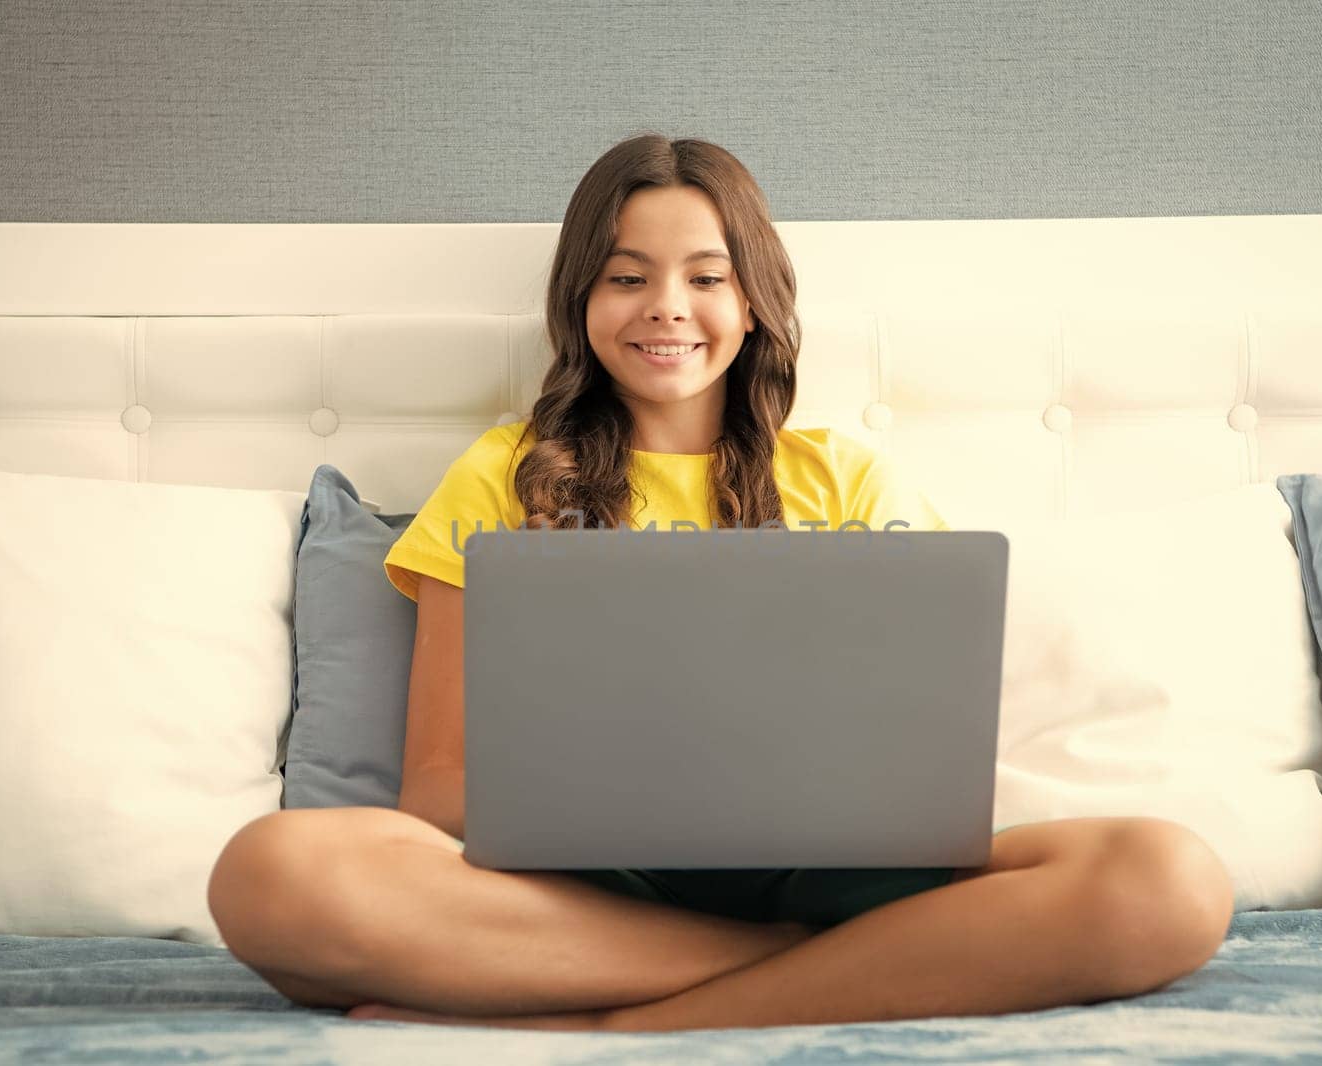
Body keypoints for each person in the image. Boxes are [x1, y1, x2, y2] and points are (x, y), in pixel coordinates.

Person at [206, 133, 1234, 1033]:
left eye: (705, 275)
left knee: (1171, 881)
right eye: (625, 276)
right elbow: (434, 788)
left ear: (752, 302)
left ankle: (612, 1018)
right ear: (580, 300)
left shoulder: (849, 479)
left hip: (843, 880)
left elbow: (933, 765)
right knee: (272, 874)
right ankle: (809, 967)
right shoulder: (501, 474)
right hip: (578, 890)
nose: (666, 308)